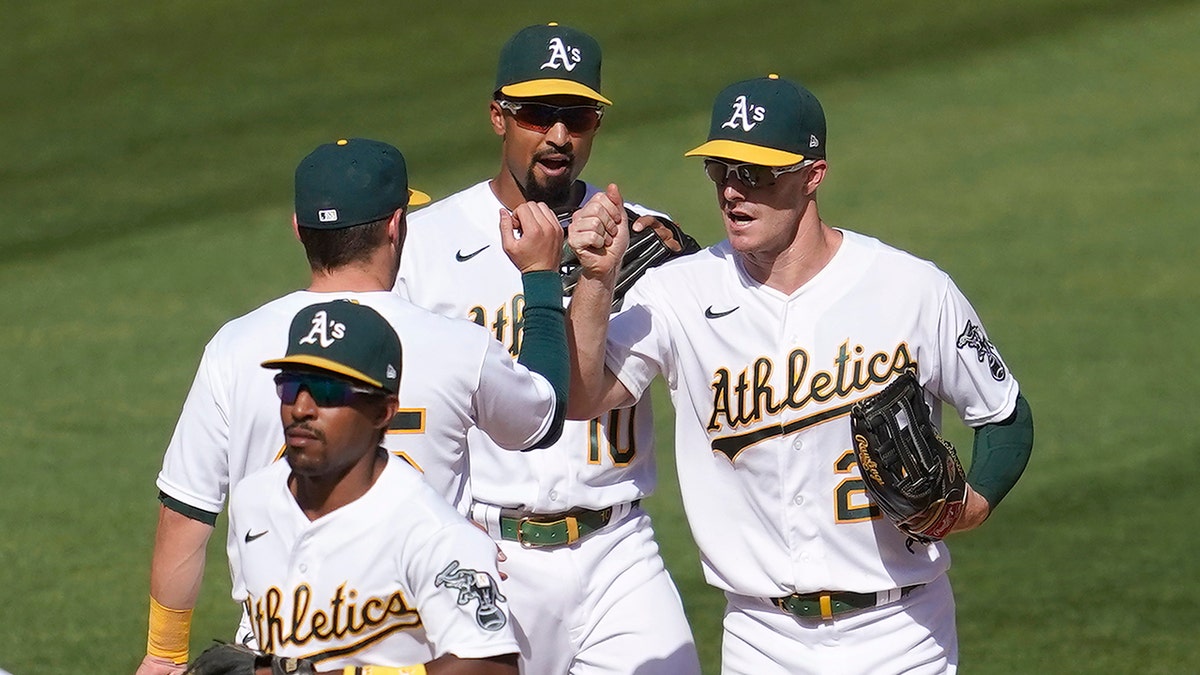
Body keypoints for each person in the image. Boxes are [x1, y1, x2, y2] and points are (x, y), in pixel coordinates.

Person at [565, 74, 1035, 674]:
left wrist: (973, 505)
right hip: (761, 638)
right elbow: (580, 398)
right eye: (722, 171)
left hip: (903, 633)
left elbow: (1005, 416)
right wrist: (598, 282)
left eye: (758, 174)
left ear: (813, 175)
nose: (735, 191)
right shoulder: (678, 292)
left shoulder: (909, 288)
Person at [137, 137, 568, 674]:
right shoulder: (457, 346)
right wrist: (543, 281)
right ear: (395, 226)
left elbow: (186, 513)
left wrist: (164, 653)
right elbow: (545, 418)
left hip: (278, 646)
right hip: (420, 645)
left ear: (299, 230)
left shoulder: (234, 345)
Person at [396, 22, 700, 675]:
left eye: (579, 116)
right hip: (486, 546)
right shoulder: (425, 247)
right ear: (498, 117)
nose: (559, 136)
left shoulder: (644, 239)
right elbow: (392, 411)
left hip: (618, 547)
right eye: (538, 114)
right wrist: (433, 533)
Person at [227, 299, 519, 672]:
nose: (300, 408)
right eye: (291, 386)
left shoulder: (434, 533)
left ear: (383, 412)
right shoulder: (252, 500)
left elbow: (495, 665)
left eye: (328, 392)